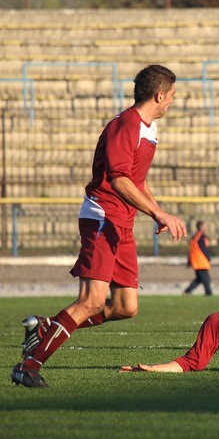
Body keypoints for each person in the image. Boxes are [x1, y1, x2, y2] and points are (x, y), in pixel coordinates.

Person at [12, 64, 187, 388]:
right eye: (172, 96)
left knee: (125, 307)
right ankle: (29, 366)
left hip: (122, 222)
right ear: (160, 95)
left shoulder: (148, 130)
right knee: (91, 301)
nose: (172, 102)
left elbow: (136, 181)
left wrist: (158, 212)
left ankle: (47, 327)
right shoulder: (126, 125)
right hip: (103, 216)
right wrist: (159, 215)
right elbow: (118, 179)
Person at [184, 220, 213, 296]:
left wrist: (189, 261)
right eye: (204, 226)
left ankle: (187, 291)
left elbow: (191, 250)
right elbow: (203, 248)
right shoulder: (201, 236)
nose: (206, 227)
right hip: (201, 261)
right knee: (206, 279)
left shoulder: (195, 236)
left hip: (196, 261)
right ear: (201, 227)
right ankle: (208, 293)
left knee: (200, 278)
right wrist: (208, 257)